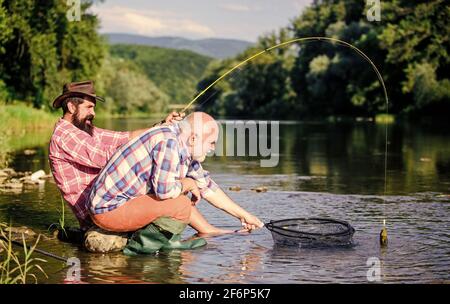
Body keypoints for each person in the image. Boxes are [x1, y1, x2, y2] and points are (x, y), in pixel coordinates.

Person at [88, 112, 264, 235]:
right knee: (180, 203)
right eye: (211, 142)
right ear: (194, 138)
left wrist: (245, 216)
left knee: (181, 195)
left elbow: (208, 188)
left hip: (121, 204)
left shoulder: (185, 149)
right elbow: (165, 192)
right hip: (108, 210)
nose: (213, 148)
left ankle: (209, 231)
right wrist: (188, 183)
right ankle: (155, 246)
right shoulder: (169, 143)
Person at [48, 80, 184, 231]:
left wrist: (161, 126)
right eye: (89, 107)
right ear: (71, 107)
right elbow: (105, 157)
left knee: (170, 186)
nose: (93, 113)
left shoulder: (84, 129)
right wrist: (151, 142)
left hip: (111, 202)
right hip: (99, 214)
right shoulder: (65, 135)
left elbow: (125, 137)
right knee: (174, 194)